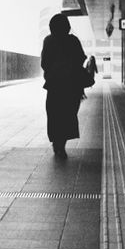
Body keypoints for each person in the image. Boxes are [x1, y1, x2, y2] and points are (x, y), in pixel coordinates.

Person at [41, 13, 86, 156]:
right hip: (72, 85)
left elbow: (44, 63)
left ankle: (57, 142)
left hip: (54, 85)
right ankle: (61, 143)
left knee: (54, 113)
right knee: (69, 114)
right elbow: (81, 58)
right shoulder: (73, 41)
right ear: (67, 27)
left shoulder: (48, 40)